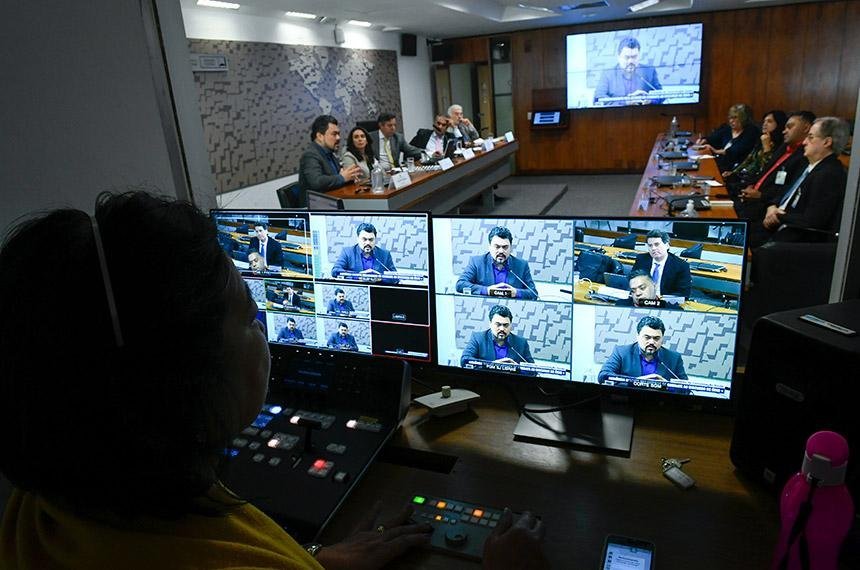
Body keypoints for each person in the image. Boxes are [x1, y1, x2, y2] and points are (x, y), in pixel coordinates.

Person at [0, 192, 447, 569]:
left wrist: (311, 557)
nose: (264, 332)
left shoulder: (43, 504)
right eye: (250, 318)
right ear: (185, 378)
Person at [756, 116, 849, 244]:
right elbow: (785, 192)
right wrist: (772, 206)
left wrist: (778, 216)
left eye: (810, 137)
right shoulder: (808, 164)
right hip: (774, 224)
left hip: (790, 238)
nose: (804, 142)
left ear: (827, 142)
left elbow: (812, 220)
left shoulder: (829, 175)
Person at [735, 111, 814, 225]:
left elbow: (788, 189)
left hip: (764, 207)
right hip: (750, 198)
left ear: (806, 128)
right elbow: (764, 172)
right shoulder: (784, 146)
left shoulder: (805, 156)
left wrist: (761, 196)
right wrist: (750, 185)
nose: (784, 131)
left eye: (789, 127)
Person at [456, 226, 538, 300]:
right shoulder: (477, 262)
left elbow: (533, 293)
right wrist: (487, 290)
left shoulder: (522, 265)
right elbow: (460, 285)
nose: (501, 251)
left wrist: (516, 292)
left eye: (505, 247)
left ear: (511, 248)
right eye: (497, 247)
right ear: (489, 247)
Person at [598, 316, 688, 383]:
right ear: (637, 336)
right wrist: (635, 382)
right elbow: (603, 376)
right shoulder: (622, 352)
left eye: (656, 338)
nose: (651, 342)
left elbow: (686, 387)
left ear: (662, 339)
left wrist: (667, 385)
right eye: (647, 337)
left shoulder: (674, 358)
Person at [298, 115, 362, 193]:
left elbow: (337, 177)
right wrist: (342, 177)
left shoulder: (330, 153)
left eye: (338, 134)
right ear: (320, 136)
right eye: (334, 134)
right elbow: (316, 182)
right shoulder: (310, 155)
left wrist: (350, 176)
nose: (338, 138)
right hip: (317, 200)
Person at [723, 110, 787, 186]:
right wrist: (733, 172)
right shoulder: (761, 139)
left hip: (756, 183)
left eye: (769, 121)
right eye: (764, 121)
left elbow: (767, 170)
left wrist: (766, 147)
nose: (764, 124)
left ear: (779, 124)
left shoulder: (781, 145)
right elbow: (748, 160)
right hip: (744, 177)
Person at [593, 37, 663, 106]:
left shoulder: (649, 71)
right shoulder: (608, 74)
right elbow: (598, 98)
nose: (631, 61)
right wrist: (625, 102)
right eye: (627, 57)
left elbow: (661, 95)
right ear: (618, 57)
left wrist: (650, 101)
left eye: (634, 57)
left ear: (639, 56)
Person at [460, 305, 534, 367]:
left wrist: (517, 368)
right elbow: (464, 360)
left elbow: (532, 369)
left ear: (511, 325)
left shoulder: (521, 342)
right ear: (490, 323)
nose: (502, 329)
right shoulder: (478, 338)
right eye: (498, 324)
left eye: (505, 325)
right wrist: (492, 365)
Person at [695, 104, 760, 172]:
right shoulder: (727, 128)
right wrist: (704, 140)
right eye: (730, 118)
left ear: (743, 119)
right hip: (721, 163)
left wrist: (716, 151)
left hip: (735, 168)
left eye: (735, 118)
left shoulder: (751, 132)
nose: (731, 121)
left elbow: (737, 150)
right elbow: (713, 138)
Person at [630, 230, 691, 299]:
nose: (653, 248)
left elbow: (683, 294)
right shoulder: (641, 259)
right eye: (650, 245)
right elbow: (632, 281)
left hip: (664, 301)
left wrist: (661, 298)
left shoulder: (681, 266)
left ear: (667, 245)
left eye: (657, 244)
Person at [331, 222, 397, 279]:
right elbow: (335, 271)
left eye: (371, 240)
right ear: (357, 239)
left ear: (375, 239)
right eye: (364, 239)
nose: (368, 243)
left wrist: (380, 278)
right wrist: (358, 276)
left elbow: (395, 278)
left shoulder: (385, 255)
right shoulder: (347, 252)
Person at [615, 270, 682, 310]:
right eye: (633, 290)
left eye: (642, 288)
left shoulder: (673, 311)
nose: (637, 293)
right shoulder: (621, 306)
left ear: (654, 286)